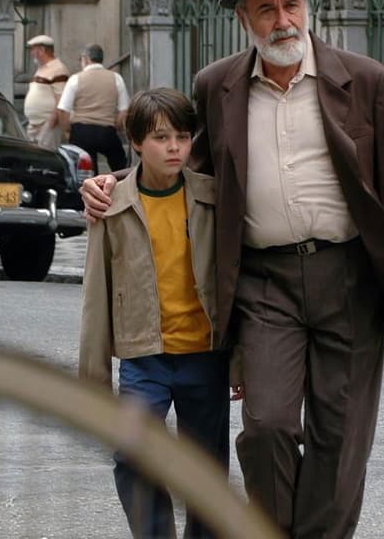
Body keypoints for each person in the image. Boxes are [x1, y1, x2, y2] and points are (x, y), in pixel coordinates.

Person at [80, 0, 384, 538]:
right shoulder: (217, 86)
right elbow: (182, 167)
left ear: (307, 5)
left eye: (291, 4)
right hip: (263, 280)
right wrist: (113, 185)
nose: (283, 20)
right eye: (266, 10)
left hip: (350, 276)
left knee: (340, 435)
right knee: (268, 423)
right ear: (244, 19)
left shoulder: (367, 81)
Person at [78, 87, 240, 539]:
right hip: (143, 358)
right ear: (135, 142)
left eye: (183, 138)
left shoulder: (212, 198)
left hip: (204, 356)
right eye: (161, 138)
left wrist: (239, 360)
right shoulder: (112, 203)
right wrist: (93, 379)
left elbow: (234, 284)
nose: (174, 149)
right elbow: (96, 293)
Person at [57, 44, 130, 173]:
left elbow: (63, 110)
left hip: (81, 131)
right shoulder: (116, 78)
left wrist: (67, 129)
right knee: (120, 164)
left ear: (86, 59)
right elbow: (124, 110)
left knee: (86, 172)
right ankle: (123, 186)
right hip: (107, 131)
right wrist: (117, 126)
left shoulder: (76, 79)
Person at [23, 35, 70, 151]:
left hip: (47, 124)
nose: (32, 53)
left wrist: (51, 123)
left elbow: (61, 99)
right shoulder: (41, 68)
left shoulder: (58, 69)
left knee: (46, 156)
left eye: (34, 49)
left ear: (42, 50)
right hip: (34, 124)